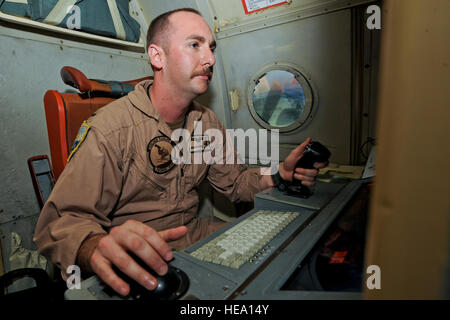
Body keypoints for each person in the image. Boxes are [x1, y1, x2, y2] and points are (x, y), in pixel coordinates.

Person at [33, 8, 326, 297]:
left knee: (282, 259)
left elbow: (235, 183)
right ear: (157, 56)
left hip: (192, 233)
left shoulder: (206, 122)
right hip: (139, 252)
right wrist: (95, 247)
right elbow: (59, 223)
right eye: (194, 45)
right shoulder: (111, 128)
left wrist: (278, 174)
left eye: (211, 48)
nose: (210, 59)